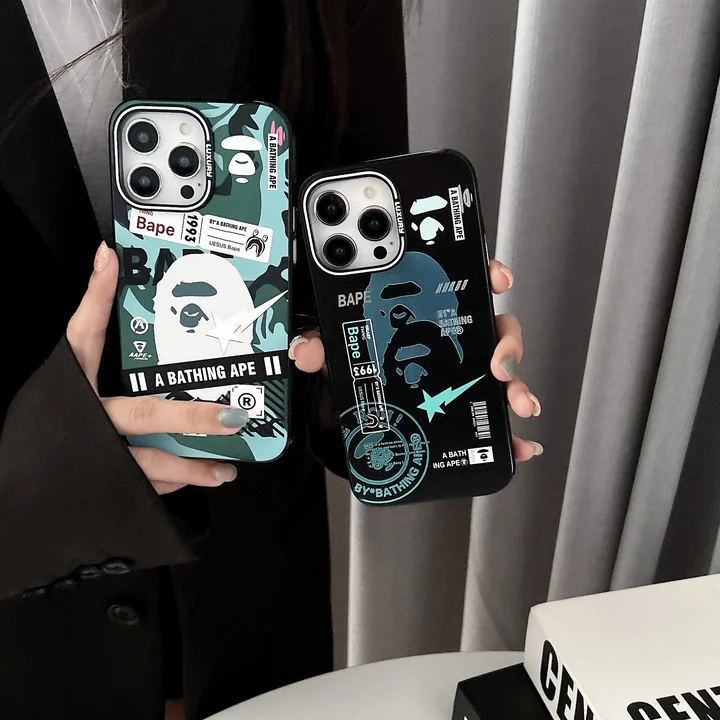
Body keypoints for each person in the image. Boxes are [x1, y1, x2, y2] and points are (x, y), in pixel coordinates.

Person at [0, 1, 543, 718]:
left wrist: (391, 374)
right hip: (31, 636)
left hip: (252, 595)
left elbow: (345, 233)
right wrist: (41, 475)